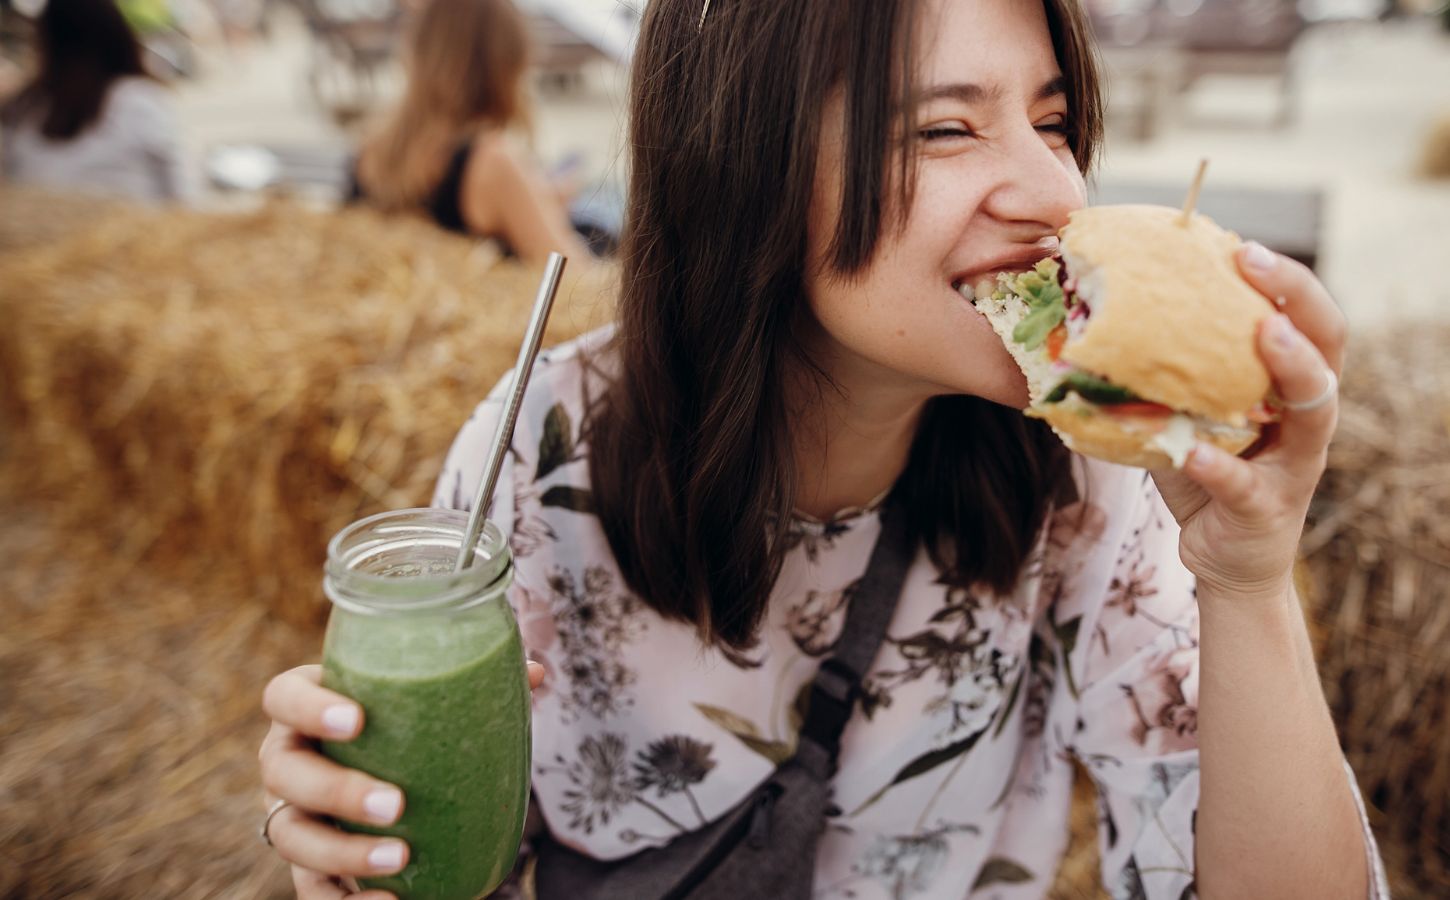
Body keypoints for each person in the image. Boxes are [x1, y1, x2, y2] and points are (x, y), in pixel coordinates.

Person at [258, 0, 1391, 897]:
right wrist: (351, 851)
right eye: (946, 128)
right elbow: (450, 851)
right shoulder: (540, 450)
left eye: (1051, 121)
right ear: (743, 167)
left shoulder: (1085, 463)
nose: (1059, 190)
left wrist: (1245, 577)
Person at [348, 0, 600, 264]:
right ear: (503, 66)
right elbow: (575, 278)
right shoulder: (493, 161)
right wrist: (546, 210)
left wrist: (537, 198)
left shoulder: (370, 149)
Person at [1, 0, 186, 203]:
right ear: (118, 33)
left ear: (46, 40)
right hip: (135, 230)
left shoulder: (23, 109)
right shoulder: (138, 100)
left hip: (42, 231)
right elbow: (180, 192)